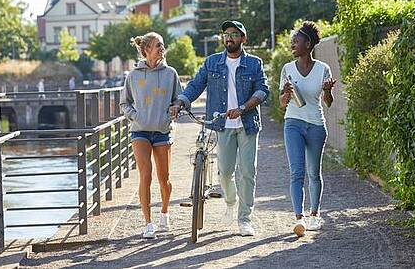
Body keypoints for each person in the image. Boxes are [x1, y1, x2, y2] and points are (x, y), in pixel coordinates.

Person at [170, 20, 269, 236]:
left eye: (234, 34)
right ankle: (231, 202)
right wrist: (180, 102)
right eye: (226, 34)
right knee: (224, 172)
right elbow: (195, 85)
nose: (229, 38)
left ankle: (244, 219)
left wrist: (243, 108)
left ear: (243, 38)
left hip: (247, 125)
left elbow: (263, 90)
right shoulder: (212, 62)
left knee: (247, 172)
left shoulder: (254, 64)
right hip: (222, 124)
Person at [120, 32, 182, 239]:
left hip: (163, 131)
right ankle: (148, 223)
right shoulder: (133, 75)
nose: (162, 49)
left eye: (163, 45)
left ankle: (164, 212)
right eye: (158, 45)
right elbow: (124, 103)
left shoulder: (171, 73)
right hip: (140, 131)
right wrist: (135, 116)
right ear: (146, 49)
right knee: (145, 175)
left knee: (164, 179)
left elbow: (178, 99)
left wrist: (173, 111)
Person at [279, 21, 336, 237]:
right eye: (292, 40)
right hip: (293, 122)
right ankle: (298, 218)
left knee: (314, 173)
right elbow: (282, 103)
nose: (292, 43)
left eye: (296, 40)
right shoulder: (287, 69)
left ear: (308, 43)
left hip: (316, 126)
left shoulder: (323, 69)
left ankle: (314, 214)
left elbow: (328, 102)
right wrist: (285, 93)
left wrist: (328, 90)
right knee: (297, 172)